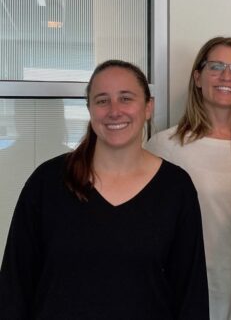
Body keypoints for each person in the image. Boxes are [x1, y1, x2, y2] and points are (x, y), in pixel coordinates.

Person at [0, 60, 209, 319]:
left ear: (148, 108)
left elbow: (191, 295)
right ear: (89, 109)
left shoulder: (176, 189)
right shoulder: (47, 182)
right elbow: (14, 285)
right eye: (102, 100)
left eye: (126, 98)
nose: (114, 111)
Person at [146, 37, 231, 320]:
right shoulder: (165, 147)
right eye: (216, 66)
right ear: (197, 77)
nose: (226, 76)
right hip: (186, 285)